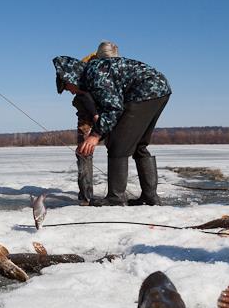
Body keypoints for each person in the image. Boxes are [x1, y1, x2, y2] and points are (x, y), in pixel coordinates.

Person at [53, 54, 171, 206]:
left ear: (70, 78)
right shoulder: (93, 73)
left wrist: (95, 135)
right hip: (159, 90)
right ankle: (150, 197)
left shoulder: (94, 75)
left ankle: (116, 197)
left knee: (118, 144)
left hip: (145, 92)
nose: (71, 92)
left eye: (68, 88)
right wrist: (98, 131)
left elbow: (113, 108)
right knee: (139, 145)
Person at [73, 41, 120, 205]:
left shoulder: (114, 64)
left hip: (108, 110)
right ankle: (86, 195)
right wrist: (94, 115)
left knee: (117, 148)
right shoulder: (86, 65)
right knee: (85, 150)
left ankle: (116, 193)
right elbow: (83, 94)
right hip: (87, 112)